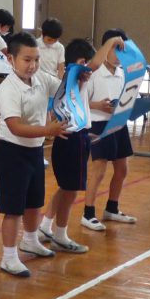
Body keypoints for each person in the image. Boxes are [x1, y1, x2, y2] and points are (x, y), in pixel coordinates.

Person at [38, 34, 124, 249]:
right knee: (71, 191)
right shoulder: (73, 75)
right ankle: (61, 235)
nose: (90, 70)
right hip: (71, 140)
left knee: (66, 188)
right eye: (86, 64)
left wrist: (86, 132)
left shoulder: (77, 82)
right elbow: (95, 64)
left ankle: (46, 225)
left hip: (79, 136)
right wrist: (111, 41)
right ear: (79, 63)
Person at [0, 31, 68, 277]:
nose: (32, 65)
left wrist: (79, 75)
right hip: (11, 152)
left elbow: (64, 87)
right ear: (11, 59)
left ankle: (31, 240)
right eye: (27, 60)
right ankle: (8, 257)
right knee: (13, 208)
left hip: (35, 150)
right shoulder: (7, 89)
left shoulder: (41, 79)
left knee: (34, 202)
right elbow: (15, 127)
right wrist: (48, 130)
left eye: (36, 59)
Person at [82, 29, 137, 230]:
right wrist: (98, 106)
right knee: (99, 170)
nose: (119, 55)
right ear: (105, 48)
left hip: (118, 124)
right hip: (98, 124)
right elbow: (79, 100)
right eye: (116, 49)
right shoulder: (93, 73)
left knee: (122, 169)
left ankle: (112, 208)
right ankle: (88, 213)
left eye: (123, 51)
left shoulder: (122, 73)